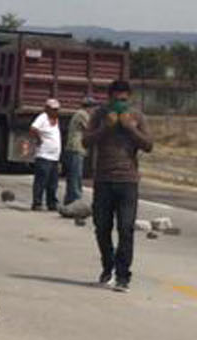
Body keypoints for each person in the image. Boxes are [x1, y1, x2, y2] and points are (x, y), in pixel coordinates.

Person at [82, 80, 153, 292]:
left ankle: (123, 275)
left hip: (127, 180)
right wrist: (106, 127)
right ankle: (108, 265)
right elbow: (86, 141)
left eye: (124, 100)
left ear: (129, 98)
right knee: (102, 227)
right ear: (109, 98)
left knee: (126, 228)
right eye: (116, 99)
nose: (120, 103)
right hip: (104, 179)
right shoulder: (99, 115)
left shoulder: (137, 116)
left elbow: (148, 145)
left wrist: (130, 127)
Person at [28, 98, 64, 211]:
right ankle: (37, 202)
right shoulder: (43, 118)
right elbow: (33, 129)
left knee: (53, 182)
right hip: (44, 156)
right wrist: (39, 139)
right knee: (41, 181)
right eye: (53, 109)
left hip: (54, 157)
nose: (55, 111)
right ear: (47, 109)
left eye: (57, 109)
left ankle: (51, 203)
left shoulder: (56, 119)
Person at [62, 96, 95, 206]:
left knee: (74, 175)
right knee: (76, 175)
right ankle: (75, 199)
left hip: (75, 148)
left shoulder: (79, 113)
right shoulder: (82, 114)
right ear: (89, 107)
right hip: (76, 148)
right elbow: (90, 128)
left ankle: (69, 199)